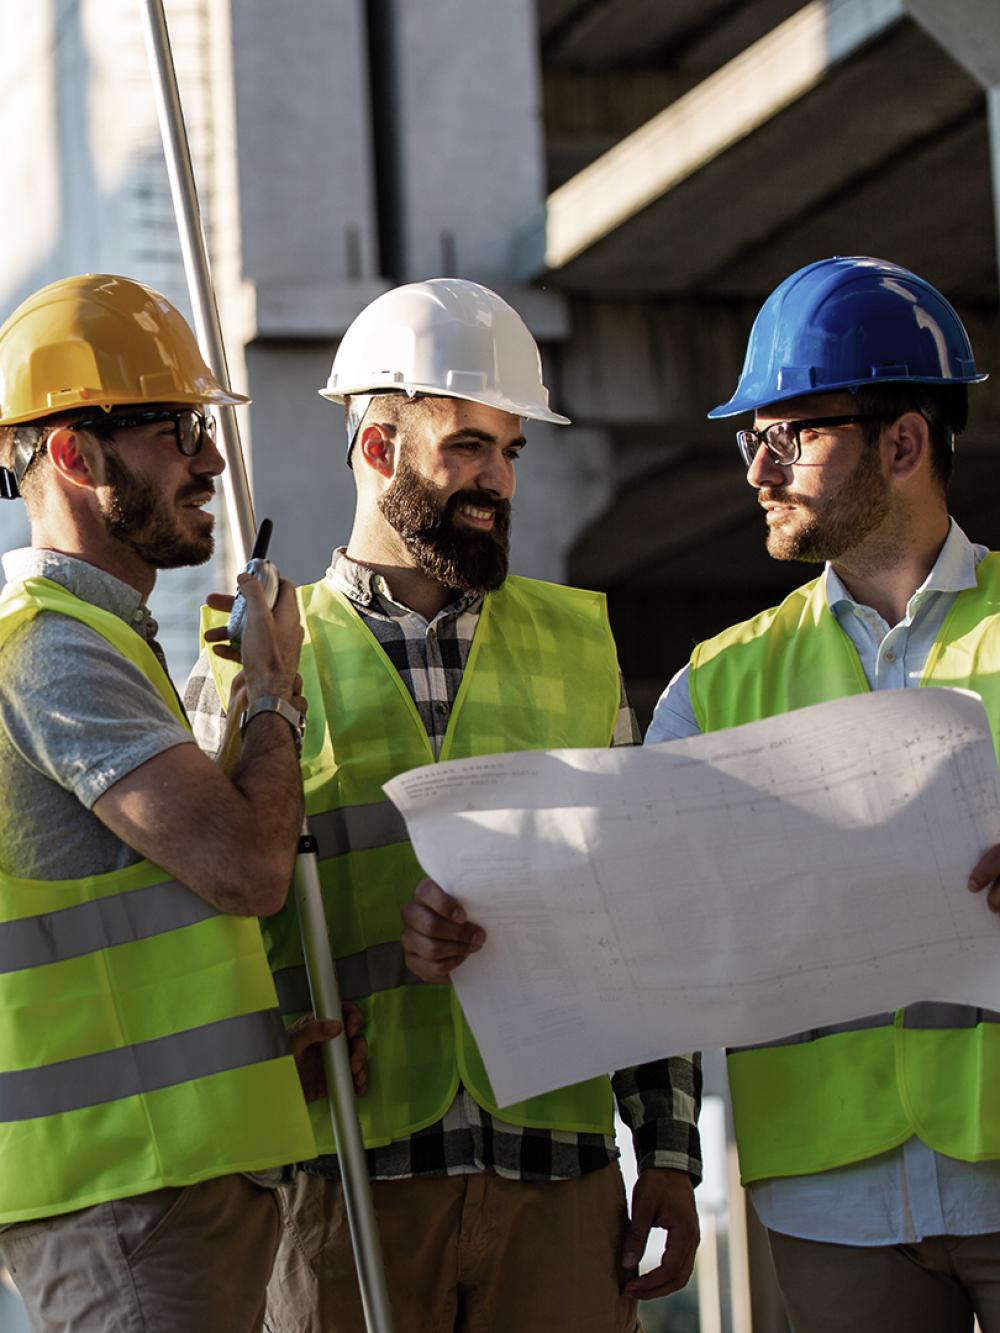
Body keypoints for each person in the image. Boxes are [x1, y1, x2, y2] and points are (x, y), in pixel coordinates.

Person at [186, 278, 702, 1333]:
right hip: (344, 1182)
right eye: (467, 446)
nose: (498, 479)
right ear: (378, 450)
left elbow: (642, 907)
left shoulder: (576, 647)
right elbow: (207, 915)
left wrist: (667, 1149)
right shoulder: (254, 653)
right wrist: (269, 1039)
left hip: (556, 1175)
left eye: (512, 450)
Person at [0, 273, 364, 1333]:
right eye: (175, 429)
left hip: (158, 1183)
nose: (209, 458)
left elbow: (143, 924)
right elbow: (248, 866)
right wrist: (271, 696)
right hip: (128, 1194)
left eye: (202, 427)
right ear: (73, 453)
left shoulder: (98, 633)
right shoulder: (55, 646)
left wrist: (252, 1043)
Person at [646, 255, 1000, 1333]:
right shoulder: (713, 685)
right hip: (827, 1194)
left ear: (902, 442)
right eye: (749, 437)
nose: (757, 469)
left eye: (788, 435)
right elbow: (639, 913)